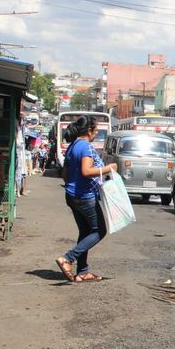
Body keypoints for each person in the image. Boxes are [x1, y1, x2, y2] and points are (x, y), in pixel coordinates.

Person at [55, 115, 117, 283]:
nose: (96, 133)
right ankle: (68, 258)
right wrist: (108, 168)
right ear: (89, 130)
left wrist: (74, 186)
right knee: (99, 230)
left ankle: (82, 272)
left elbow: (64, 175)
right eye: (95, 130)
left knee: (85, 232)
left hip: (72, 195)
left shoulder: (72, 146)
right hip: (85, 197)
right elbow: (86, 171)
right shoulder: (86, 147)